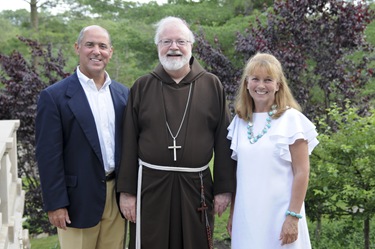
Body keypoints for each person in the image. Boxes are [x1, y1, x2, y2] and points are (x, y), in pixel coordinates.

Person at [116, 16, 236, 249]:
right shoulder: (142, 86)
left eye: (180, 41)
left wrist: (223, 189)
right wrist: (127, 192)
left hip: (196, 186)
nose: (173, 47)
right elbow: (128, 142)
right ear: (158, 46)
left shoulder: (212, 85)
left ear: (191, 45)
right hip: (150, 187)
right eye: (166, 41)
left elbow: (223, 140)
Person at [35, 25, 129, 249]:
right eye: (90, 45)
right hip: (77, 200)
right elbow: (48, 156)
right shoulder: (54, 97)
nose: (97, 51)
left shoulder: (124, 94)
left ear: (111, 52)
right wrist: (56, 204)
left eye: (103, 46)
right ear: (77, 48)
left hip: (116, 198)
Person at [226, 52, 319, 248]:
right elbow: (238, 174)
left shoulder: (291, 119)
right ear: (246, 83)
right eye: (255, 79)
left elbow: (302, 172)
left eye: (268, 80)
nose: (261, 85)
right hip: (247, 216)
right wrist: (233, 213)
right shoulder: (240, 122)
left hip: (281, 215)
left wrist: (293, 217)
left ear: (278, 85)